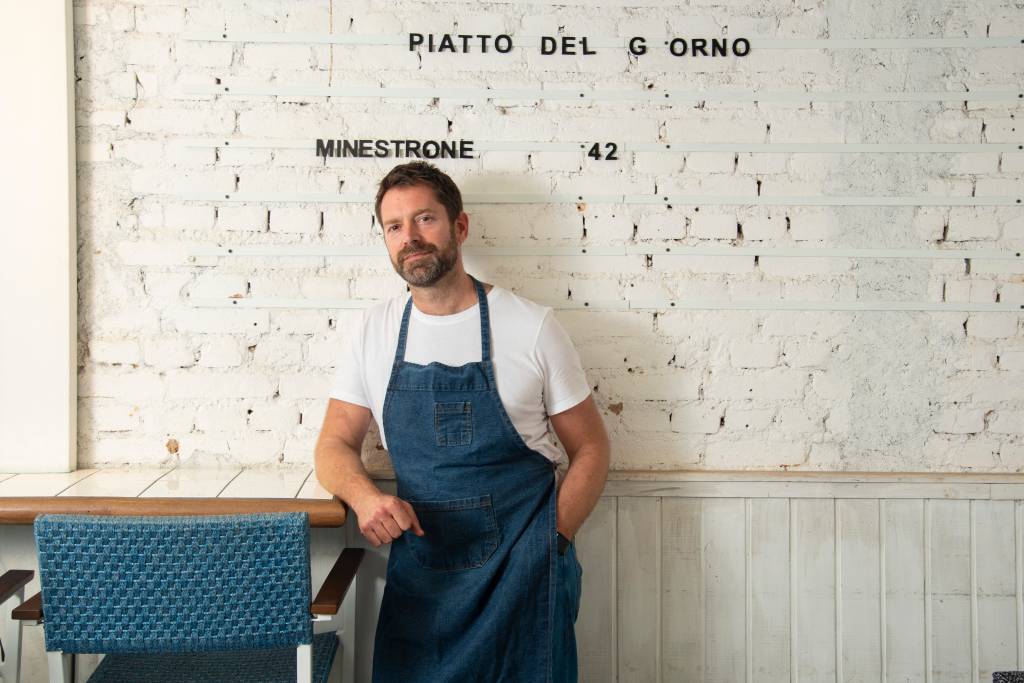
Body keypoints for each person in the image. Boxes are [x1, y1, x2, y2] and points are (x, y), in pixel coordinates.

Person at [314, 160, 610, 682]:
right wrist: (365, 498)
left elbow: (592, 449)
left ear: (460, 227)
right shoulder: (373, 331)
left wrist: (552, 542)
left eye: (425, 219)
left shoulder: (532, 326)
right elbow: (334, 443)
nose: (411, 238)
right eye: (395, 226)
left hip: (524, 574)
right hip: (423, 579)